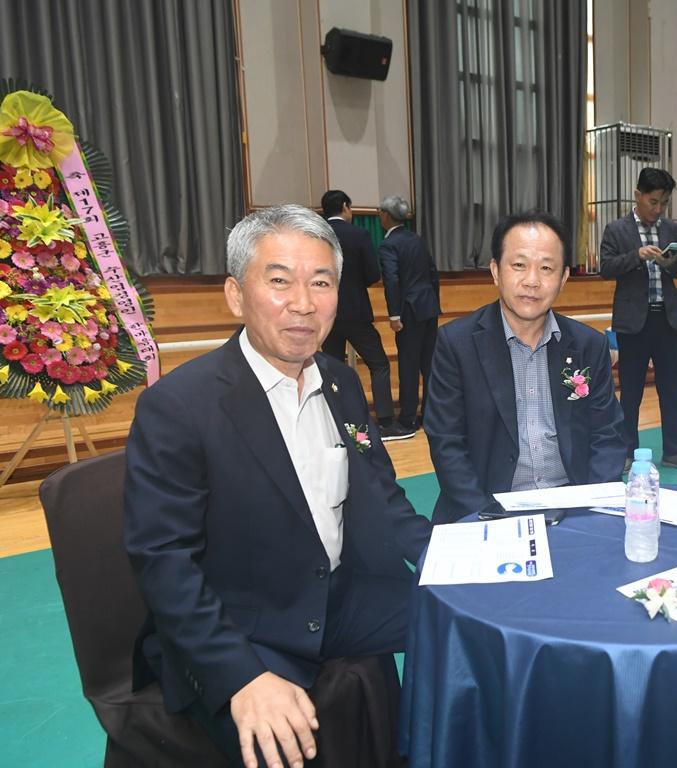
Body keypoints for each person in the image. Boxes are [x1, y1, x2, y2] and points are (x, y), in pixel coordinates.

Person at [123, 205, 433, 767]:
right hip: (243, 623)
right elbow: (164, 561)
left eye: (321, 282)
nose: (303, 303)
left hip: (336, 598)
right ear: (236, 296)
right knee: (287, 744)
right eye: (280, 281)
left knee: (467, 622)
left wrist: (455, 561)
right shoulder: (179, 407)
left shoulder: (339, 381)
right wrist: (240, 676)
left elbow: (383, 495)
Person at [425, 211, 626, 524]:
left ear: (563, 279)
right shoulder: (457, 344)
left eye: (546, 268)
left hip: (572, 508)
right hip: (487, 509)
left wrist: (589, 509)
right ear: (495, 271)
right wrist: (484, 518)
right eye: (518, 265)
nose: (532, 280)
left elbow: (608, 434)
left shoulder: (589, 345)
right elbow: (447, 444)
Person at [600, 167, 677, 468]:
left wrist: (667, 262)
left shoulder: (671, 229)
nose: (659, 208)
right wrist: (636, 256)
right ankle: (626, 452)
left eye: (663, 202)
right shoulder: (617, 229)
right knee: (632, 390)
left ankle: (674, 451)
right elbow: (606, 267)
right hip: (632, 322)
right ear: (637, 195)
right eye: (653, 201)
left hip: (666, 319)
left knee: (669, 388)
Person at [318, 189, 403, 438]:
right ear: (345, 206)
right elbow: (372, 274)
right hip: (356, 311)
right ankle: (386, 422)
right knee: (378, 364)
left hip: (326, 312)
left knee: (331, 368)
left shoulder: (317, 234)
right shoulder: (358, 234)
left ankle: (337, 422)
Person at [378, 195, 440, 436]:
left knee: (408, 365)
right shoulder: (417, 239)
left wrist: (394, 314)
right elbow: (432, 273)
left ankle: (407, 419)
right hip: (428, 306)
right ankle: (431, 415)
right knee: (429, 364)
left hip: (408, 311)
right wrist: (433, 301)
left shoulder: (388, 244)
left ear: (385, 214)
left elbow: (391, 280)